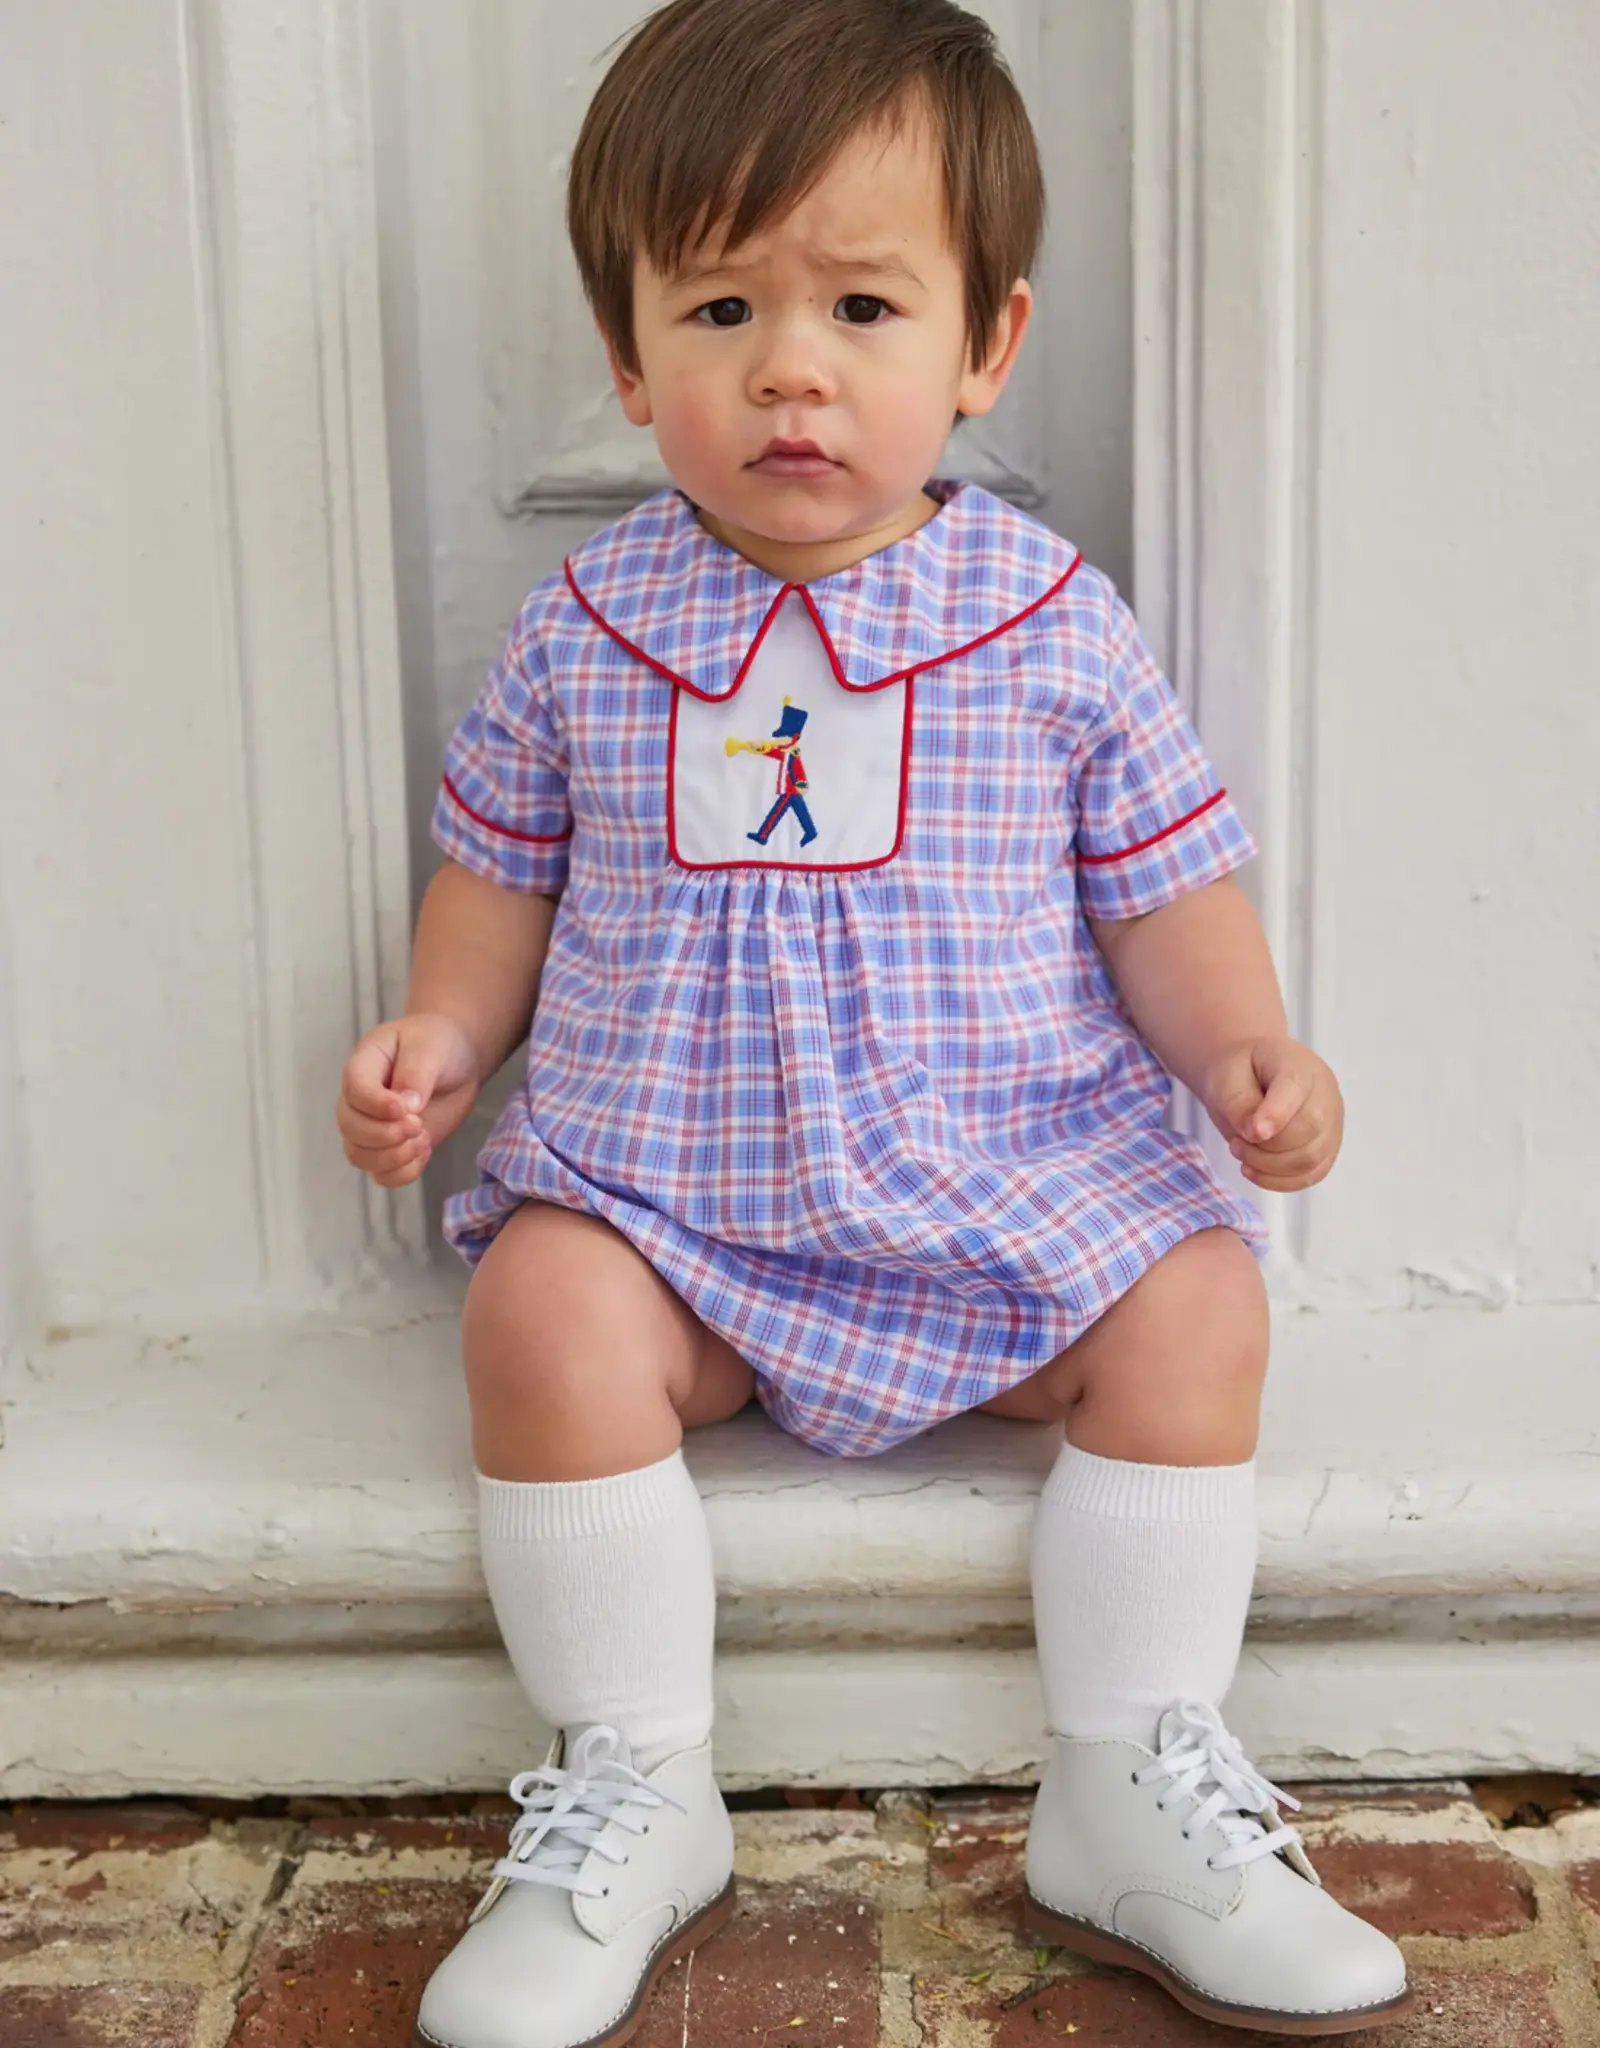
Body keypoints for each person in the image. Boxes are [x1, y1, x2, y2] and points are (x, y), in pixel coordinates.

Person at [337, 1, 1413, 2039]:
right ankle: (633, 1774)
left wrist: (1239, 1053)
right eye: (720, 304)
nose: (789, 370)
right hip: (683, 1213)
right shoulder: (591, 626)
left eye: (858, 304)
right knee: (538, 1314)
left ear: (981, 346)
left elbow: (1159, 884)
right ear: (625, 351)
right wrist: (440, 1039)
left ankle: (1129, 1774)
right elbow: (498, 870)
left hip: (1007, 1194)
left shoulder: (1044, 617)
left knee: (1196, 1301)